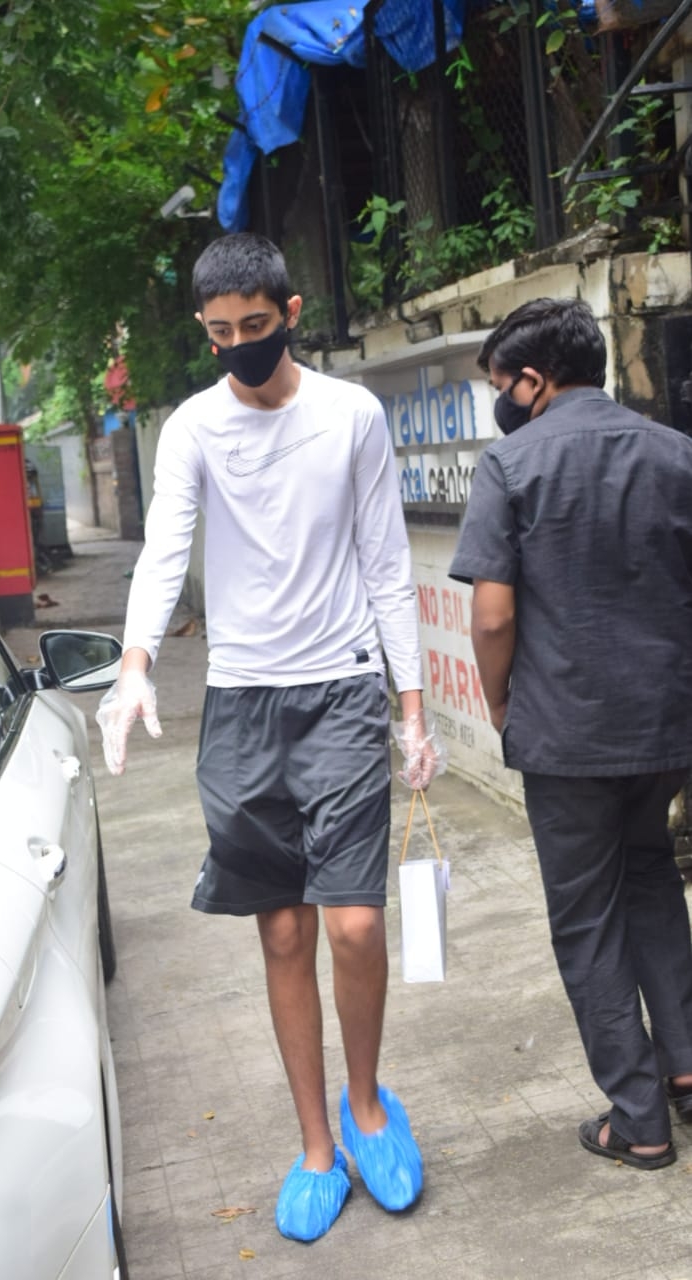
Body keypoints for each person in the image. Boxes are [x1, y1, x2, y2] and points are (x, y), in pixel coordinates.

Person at [97, 232, 444, 1241]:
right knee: (284, 927)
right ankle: (313, 1143)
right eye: (219, 335)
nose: (239, 347)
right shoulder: (195, 428)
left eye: (254, 327)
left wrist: (411, 706)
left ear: (289, 313)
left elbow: (386, 563)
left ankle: (368, 1102)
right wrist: (132, 665)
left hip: (340, 690)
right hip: (243, 702)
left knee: (354, 923)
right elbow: (165, 548)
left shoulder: (350, 414)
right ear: (203, 333)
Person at [449, 296, 692, 1171]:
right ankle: (685, 1070)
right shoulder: (676, 453)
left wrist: (501, 701)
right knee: (653, 881)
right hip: (666, 727)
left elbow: (490, 614)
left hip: (569, 736)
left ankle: (637, 1121)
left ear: (531, 379)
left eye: (499, 384)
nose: (498, 401)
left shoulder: (509, 465)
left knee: (586, 917)